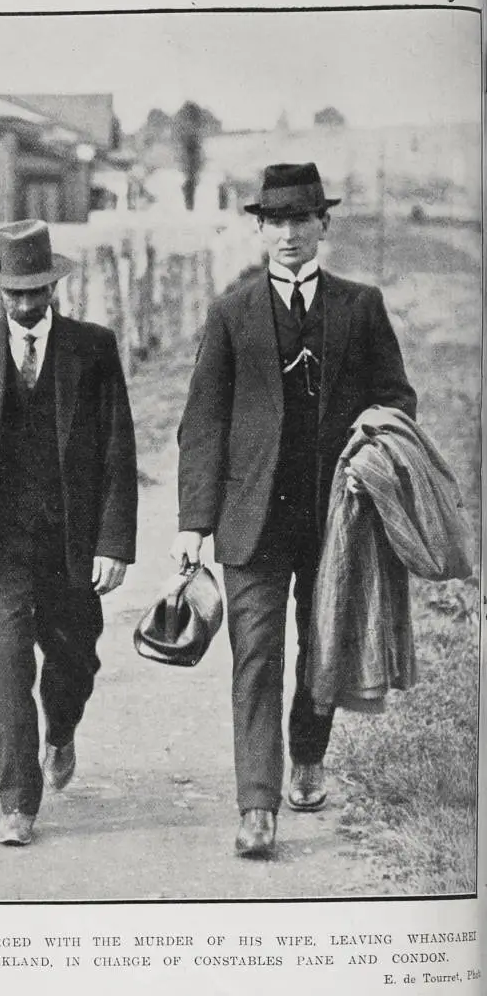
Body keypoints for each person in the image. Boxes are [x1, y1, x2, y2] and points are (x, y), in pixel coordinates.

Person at [171, 162, 417, 859]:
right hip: (253, 519)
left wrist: (371, 447)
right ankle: (257, 805)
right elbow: (203, 423)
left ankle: (308, 753)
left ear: (322, 226)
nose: (287, 234)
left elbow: (397, 397)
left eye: (300, 221)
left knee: (322, 644)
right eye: (275, 222)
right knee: (254, 655)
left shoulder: (360, 306)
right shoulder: (232, 313)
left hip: (338, 517)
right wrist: (194, 525)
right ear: (258, 228)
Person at [0, 219, 137, 846]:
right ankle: (18, 801)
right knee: (6, 666)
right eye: (13, 292)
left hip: (72, 545)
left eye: (35, 291)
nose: (24, 305)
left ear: (53, 287)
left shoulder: (93, 348)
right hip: (2, 548)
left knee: (75, 661)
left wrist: (114, 543)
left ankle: (61, 730)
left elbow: (117, 452)